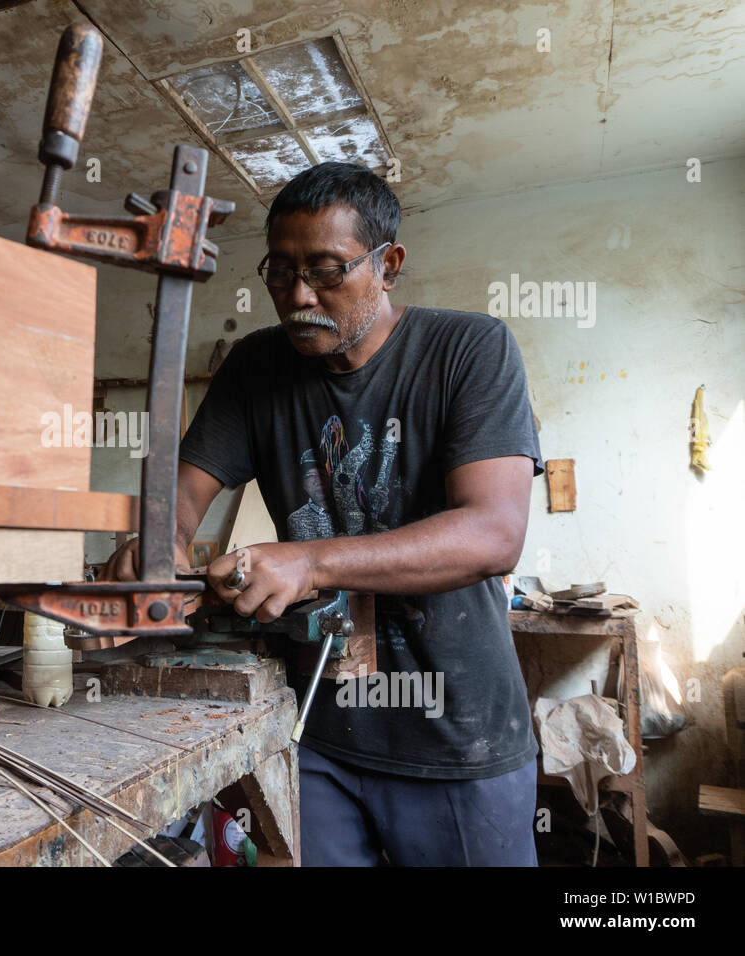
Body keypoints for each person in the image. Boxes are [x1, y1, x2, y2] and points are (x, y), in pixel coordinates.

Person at [102, 162, 543, 866]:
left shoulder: (469, 350)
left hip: (457, 736)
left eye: (327, 270)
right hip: (313, 728)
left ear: (388, 264)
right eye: (279, 272)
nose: (299, 296)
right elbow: (179, 498)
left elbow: (493, 534)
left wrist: (310, 558)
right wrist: (158, 541)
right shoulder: (256, 368)